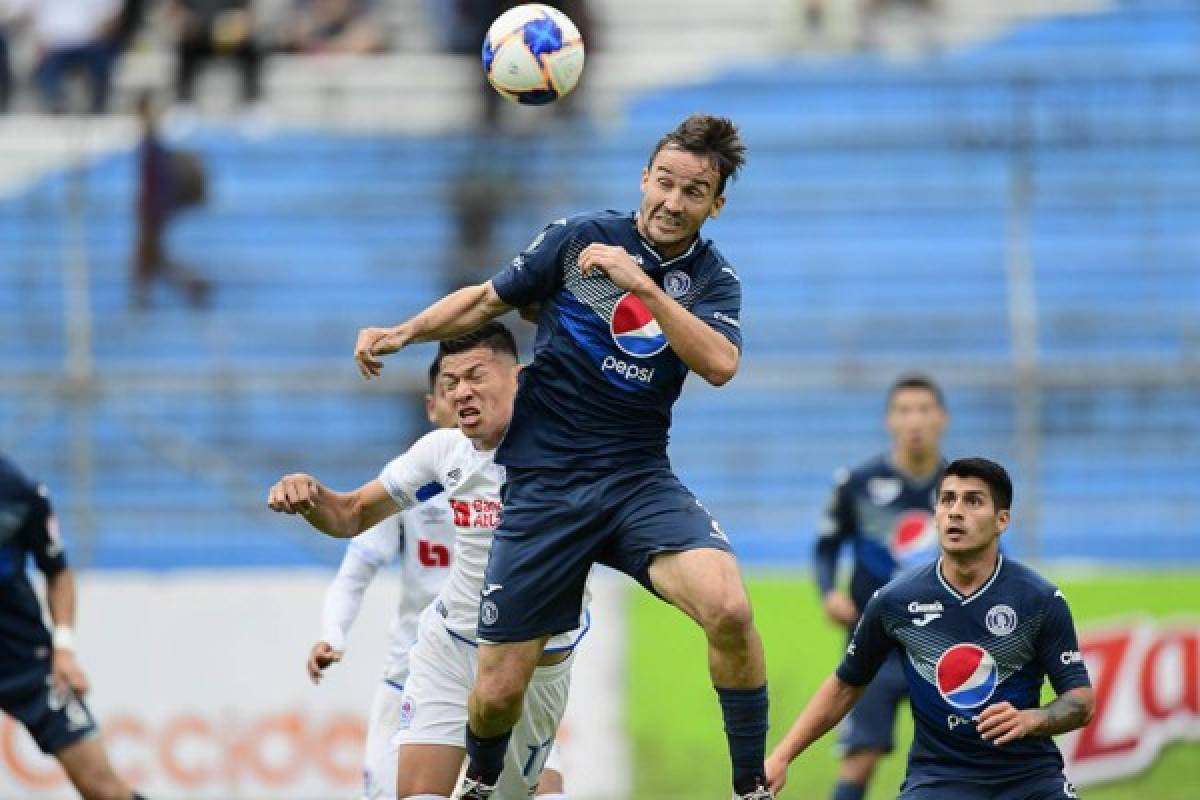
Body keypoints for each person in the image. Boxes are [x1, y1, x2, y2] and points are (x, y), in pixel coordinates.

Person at [352, 114, 773, 799]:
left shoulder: (713, 279)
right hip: (545, 484)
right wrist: (403, 333)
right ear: (644, 177)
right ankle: (484, 786)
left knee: (727, 606)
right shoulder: (579, 238)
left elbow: (721, 364)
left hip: (638, 480)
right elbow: (486, 299)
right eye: (663, 181)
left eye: (693, 191)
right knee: (494, 693)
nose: (672, 201)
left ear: (716, 204)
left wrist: (644, 288)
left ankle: (751, 785)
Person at [270, 322, 582, 800]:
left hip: (532, 659)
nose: (461, 393)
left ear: (519, 377)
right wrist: (310, 496)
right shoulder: (442, 453)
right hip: (451, 646)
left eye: (475, 376)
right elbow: (351, 512)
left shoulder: (573, 451)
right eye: (451, 383)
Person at [767, 457, 1096, 799]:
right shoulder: (894, 601)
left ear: (1002, 521)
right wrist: (781, 756)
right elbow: (844, 685)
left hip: (1030, 779)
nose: (956, 511)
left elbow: (1080, 702)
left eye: (973, 501)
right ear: (935, 515)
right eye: (947, 500)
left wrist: (1032, 720)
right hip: (939, 779)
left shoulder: (1039, 599)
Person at [813, 373, 947, 800]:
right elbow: (826, 547)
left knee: (965, 759)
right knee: (861, 756)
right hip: (876, 643)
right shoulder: (857, 483)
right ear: (890, 420)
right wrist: (829, 593)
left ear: (941, 418)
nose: (915, 421)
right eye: (904, 411)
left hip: (945, 643)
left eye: (924, 410)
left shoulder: (962, 488)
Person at [0, 453, 149, 800]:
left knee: (102, 787)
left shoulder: (19, 493)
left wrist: (64, 649)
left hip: (21, 657)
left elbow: (58, 572)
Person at [132, 91, 212, 309]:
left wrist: (152, 208)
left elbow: (157, 182)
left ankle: (192, 285)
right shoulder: (151, 143)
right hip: (152, 208)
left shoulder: (153, 144)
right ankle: (143, 298)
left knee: (150, 258)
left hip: (153, 210)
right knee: (151, 259)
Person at [172, 0, 262, 107]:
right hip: (198, 36)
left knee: (252, 49)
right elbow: (177, 11)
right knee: (185, 50)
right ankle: (183, 98)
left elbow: (247, 13)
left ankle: (251, 96)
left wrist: (243, 26)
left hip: (230, 36)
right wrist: (187, 23)